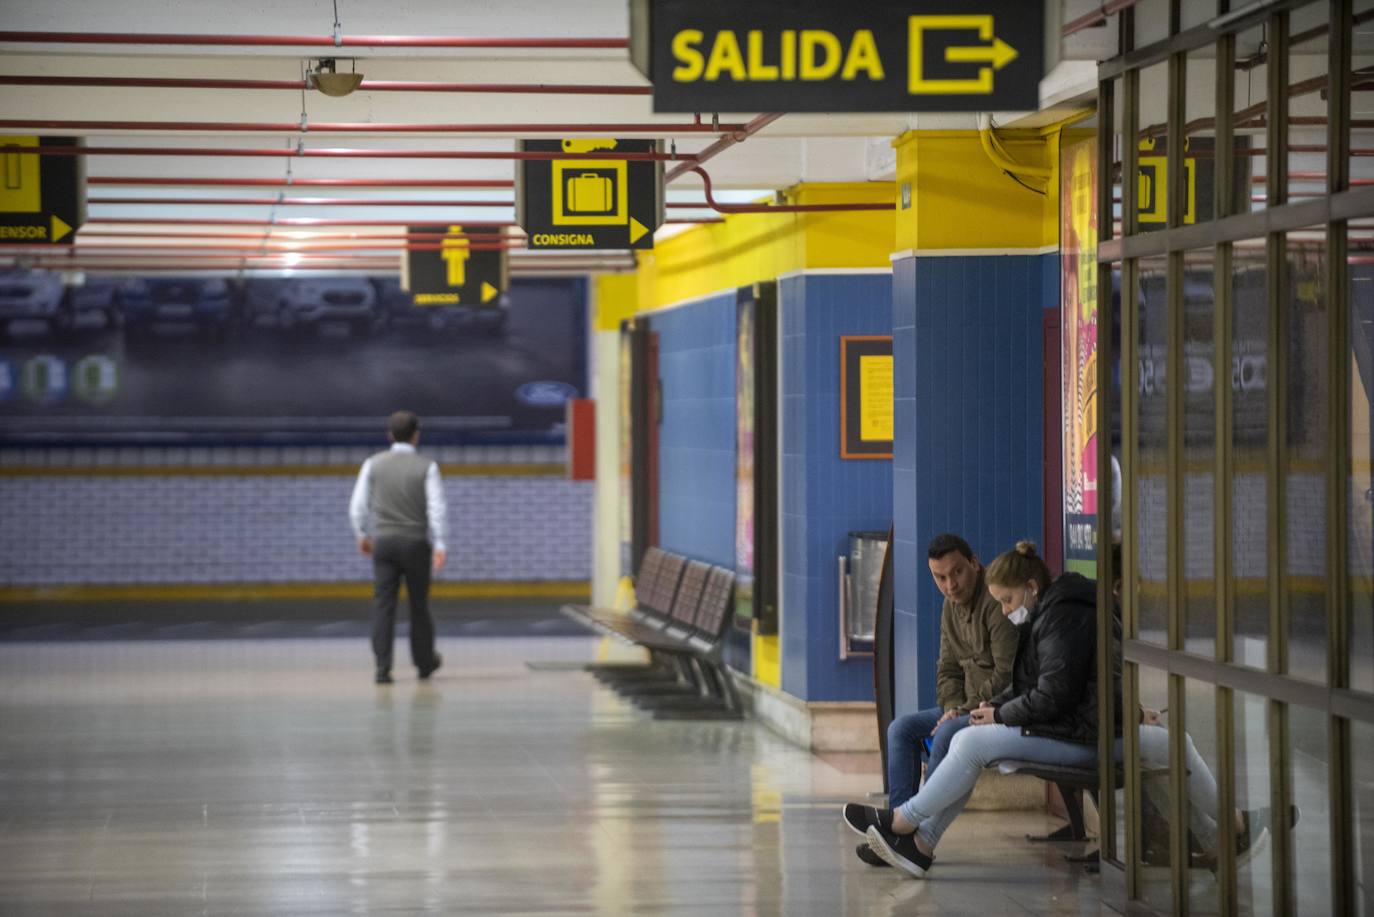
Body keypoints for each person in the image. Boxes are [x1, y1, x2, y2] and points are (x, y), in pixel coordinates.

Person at [842, 533, 1019, 867]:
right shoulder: (949, 608)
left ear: (974, 564)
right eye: (940, 577)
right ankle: (898, 834)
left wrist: (959, 713)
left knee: (947, 735)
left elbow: (1007, 676)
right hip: (964, 707)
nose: (950, 585)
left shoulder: (996, 602)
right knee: (901, 729)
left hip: (994, 709)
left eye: (957, 573)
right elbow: (947, 669)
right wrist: (952, 706)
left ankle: (910, 831)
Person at [349, 410, 447, 684]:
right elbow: (437, 508)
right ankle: (424, 663)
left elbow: (358, 506)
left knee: (383, 605)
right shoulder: (427, 467)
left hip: (385, 544)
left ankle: (383, 667)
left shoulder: (373, 464)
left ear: (389, 435)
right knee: (419, 605)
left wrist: (362, 534)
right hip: (416, 543)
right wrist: (440, 542)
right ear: (417, 435)